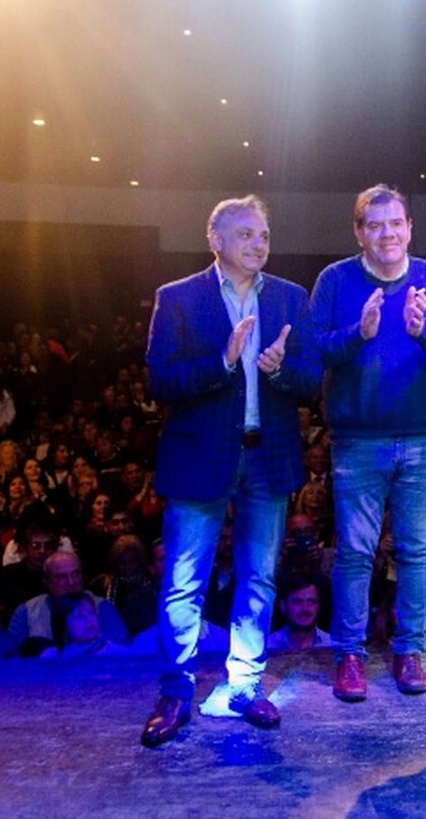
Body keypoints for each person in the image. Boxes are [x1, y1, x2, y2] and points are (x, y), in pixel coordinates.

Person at [140, 194, 320, 748]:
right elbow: (159, 382)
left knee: (259, 577)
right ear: (214, 240)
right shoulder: (178, 298)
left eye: (263, 235)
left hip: (267, 455)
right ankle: (177, 690)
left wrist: (282, 369)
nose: (258, 244)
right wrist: (222, 361)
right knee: (184, 581)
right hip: (199, 457)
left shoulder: (290, 297)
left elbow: (313, 381)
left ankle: (244, 684)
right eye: (245, 234)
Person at [308, 185, 426, 703]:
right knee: (355, 553)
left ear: (410, 227)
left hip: (422, 437)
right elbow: (314, 353)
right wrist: (359, 332)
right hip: (356, 440)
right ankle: (349, 655)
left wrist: (422, 330)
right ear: (359, 232)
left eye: (395, 223)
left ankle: (409, 650)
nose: (387, 233)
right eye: (375, 225)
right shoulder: (334, 280)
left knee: (417, 552)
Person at [265, 576, 332, 653]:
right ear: (283, 606)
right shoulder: (268, 646)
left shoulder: (332, 645)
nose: (305, 608)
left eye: (311, 602)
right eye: (297, 602)